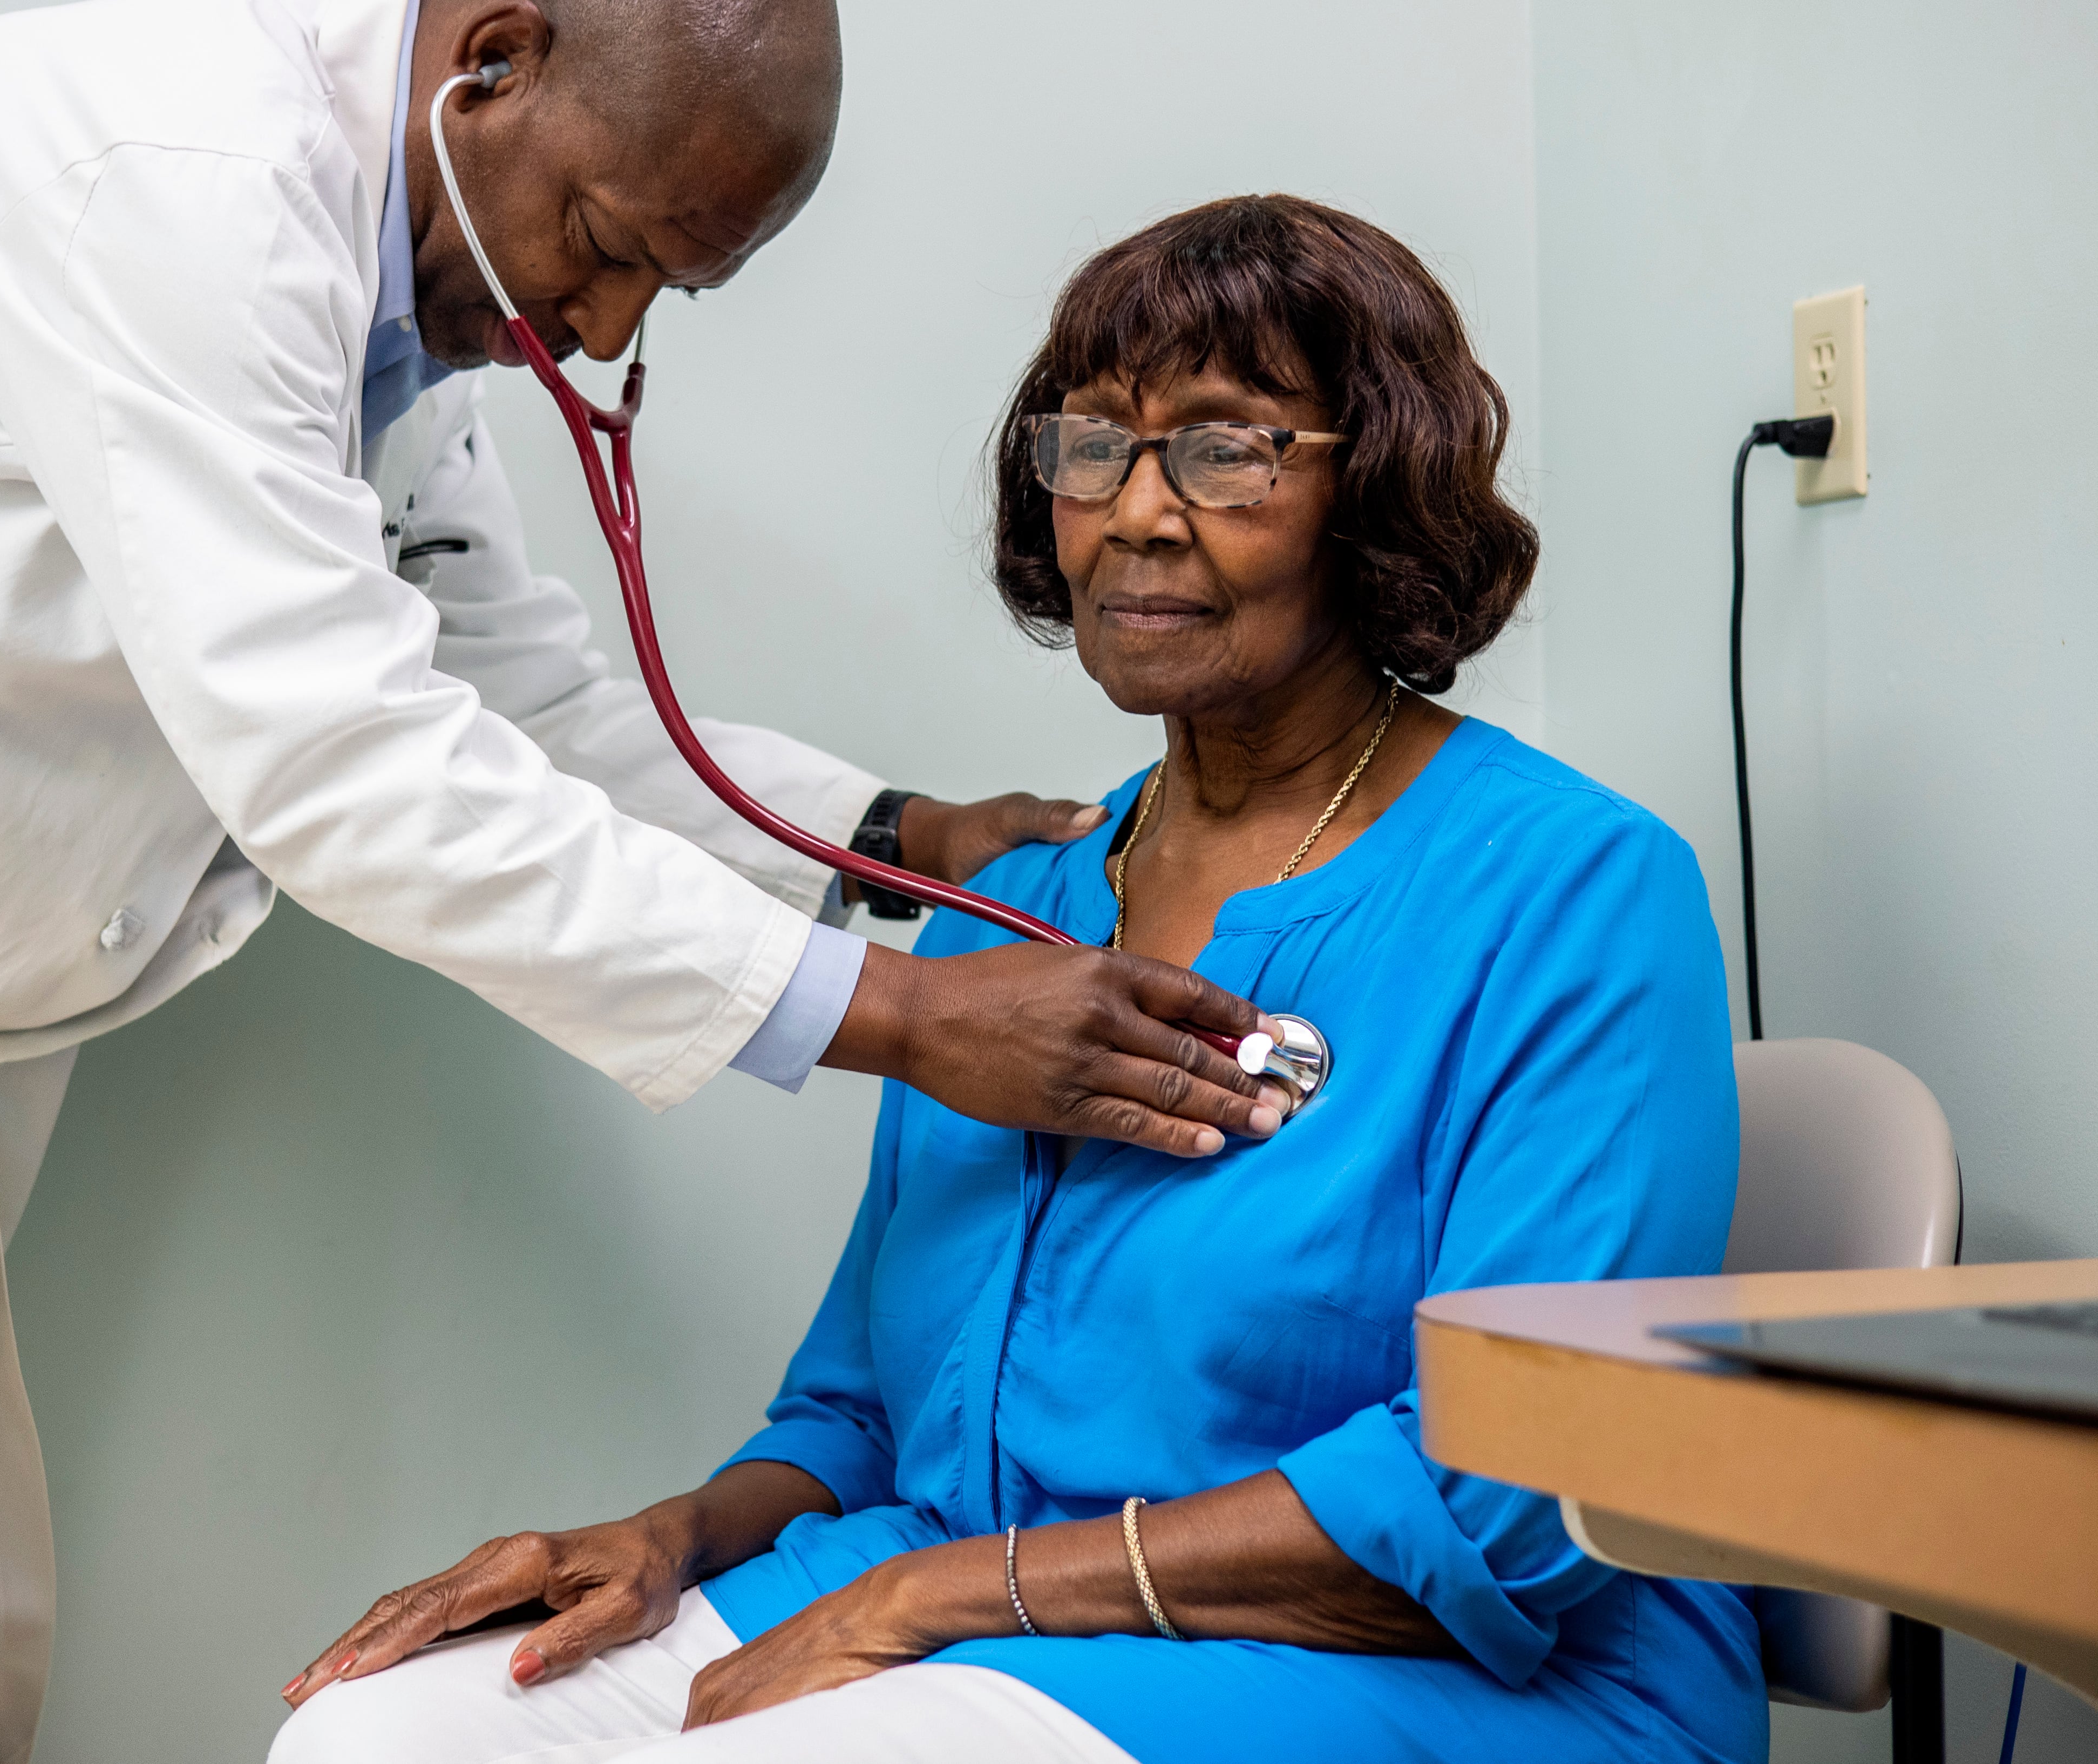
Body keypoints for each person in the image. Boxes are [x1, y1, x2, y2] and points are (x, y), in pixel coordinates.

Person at [0, 3, 1293, 1761]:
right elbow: (336, 749)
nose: (597, 323)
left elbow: (516, 695)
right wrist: (893, 1014)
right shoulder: (188, 176)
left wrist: (894, 838)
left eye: (667, 288)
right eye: (603, 239)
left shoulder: (390, 309)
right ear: (491, 62)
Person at [269, 195, 1765, 1764]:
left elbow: (1508, 1498)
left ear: (1376, 485)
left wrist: (939, 1600)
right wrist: (671, 1537)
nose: (1137, 510)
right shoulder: (1014, 912)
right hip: (962, 1601)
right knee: (381, 1736)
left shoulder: (1573, 891)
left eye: (1227, 447)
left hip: (1441, 1661)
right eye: (1094, 446)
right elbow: (857, 1410)